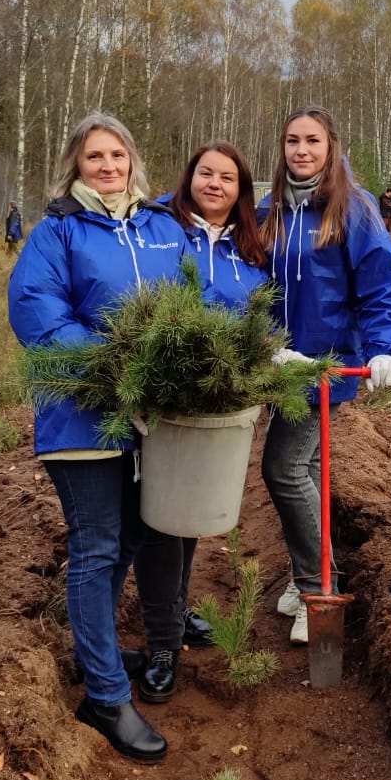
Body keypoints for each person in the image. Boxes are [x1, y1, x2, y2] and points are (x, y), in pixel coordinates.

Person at [8, 112, 192, 764]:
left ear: (133, 161)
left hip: (149, 421)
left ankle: (99, 650)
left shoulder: (161, 229)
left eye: (118, 154)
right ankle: (106, 696)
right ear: (76, 165)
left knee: (136, 536)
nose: (108, 166)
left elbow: (197, 303)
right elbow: (38, 316)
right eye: (95, 157)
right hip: (82, 416)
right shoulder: (57, 232)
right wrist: (118, 362)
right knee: (97, 545)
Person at [257, 105, 391, 645]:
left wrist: (386, 346)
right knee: (308, 468)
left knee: (283, 468)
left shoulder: (354, 209)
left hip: (325, 366)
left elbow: (381, 283)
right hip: (279, 364)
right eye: (292, 140)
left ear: (331, 146)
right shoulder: (269, 210)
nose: (301, 150)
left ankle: (318, 582)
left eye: (312, 141)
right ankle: (311, 573)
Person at [132, 141, 270, 705]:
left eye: (228, 178)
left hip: (223, 398)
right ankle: (162, 643)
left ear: (242, 190)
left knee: (189, 511)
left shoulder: (250, 247)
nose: (215, 184)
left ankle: (178, 607)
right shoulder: (161, 230)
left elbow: (260, 312)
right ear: (188, 178)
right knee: (161, 519)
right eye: (205, 173)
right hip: (167, 394)